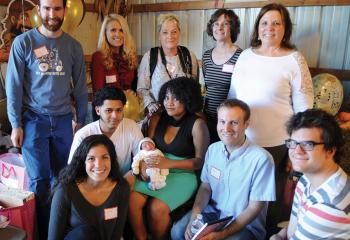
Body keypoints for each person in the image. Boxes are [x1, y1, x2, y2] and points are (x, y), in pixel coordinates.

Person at [227, 3, 314, 234]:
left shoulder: (295, 59)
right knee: (242, 198)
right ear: (257, 27)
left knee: (270, 205)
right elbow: (233, 97)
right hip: (242, 143)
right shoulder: (245, 56)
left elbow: (305, 111)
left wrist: (296, 147)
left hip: (277, 146)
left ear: (285, 28)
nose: (270, 28)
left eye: (277, 23)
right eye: (264, 22)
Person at [5, 0, 88, 238]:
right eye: (47, 8)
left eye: (57, 8)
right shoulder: (24, 43)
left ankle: (61, 228)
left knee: (64, 179)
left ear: (64, 10)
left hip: (64, 121)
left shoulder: (73, 46)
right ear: (38, 10)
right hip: (33, 121)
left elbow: (80, 88)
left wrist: (80, 121)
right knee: (39, 182)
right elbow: (14, 87)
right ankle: (43, 233)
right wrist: (16, 124)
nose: (52, 14)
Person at [171, 99, 276, 240]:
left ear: (246, 124)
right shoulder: (213, 149)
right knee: (177, 232)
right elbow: (206, 187)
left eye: (234, 123)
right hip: (213, 214)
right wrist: (194, 217)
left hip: (245, 224)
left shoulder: (262, 159)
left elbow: (254, 208)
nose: (226, 129)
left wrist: (222, 235)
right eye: (222, 122)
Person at [129, 77, 210, 239]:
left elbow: (200, 162)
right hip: (157, 167)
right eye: (166, 97)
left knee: (156, 208)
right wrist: (145, 162)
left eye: (176, 98)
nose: (169, 103)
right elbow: (149, 144)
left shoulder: (197, 124)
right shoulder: (158, 118)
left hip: (184, 173)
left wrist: (169, 162)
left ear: (188, 99)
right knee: (132, 199)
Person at [270, 109, 350, 239]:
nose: (296, 151)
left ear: (330, 150)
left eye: (307, 144)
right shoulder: (306, 178)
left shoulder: (331, 205)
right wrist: (280, 235)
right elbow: (293, 229)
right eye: (293, 143)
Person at [49, 134, 130, 240]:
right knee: (85, 233)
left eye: (105, 157)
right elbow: (53, 237)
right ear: (83, 162)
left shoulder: (121, 188)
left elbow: (117, 234)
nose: (98, 164)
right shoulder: (65, 190)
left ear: (112, 160)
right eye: (91, 158)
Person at [68, 86, 143, 175]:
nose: (115, 116)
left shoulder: (131, 126)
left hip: (123, 182)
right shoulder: (83, 135)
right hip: (92, 184)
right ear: (98, 110)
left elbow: (142, 157)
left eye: (119, 110)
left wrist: (132, 174)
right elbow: (73, 171)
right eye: (108, 110)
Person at [137, 13, 199, 115]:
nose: (170, 36)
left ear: (179, 33)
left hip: (183, 114)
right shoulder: (150, 57)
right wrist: (150, 104)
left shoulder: (188, 55)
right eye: (165, 32)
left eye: (174, 32)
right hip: (158, 113)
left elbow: (194, 86)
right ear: (159, 35)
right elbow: (141, 89)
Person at [202, 9, 242, 143]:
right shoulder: (206, 56)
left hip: (230, 122)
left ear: (232, 28)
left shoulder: (241, 56)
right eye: (215, 24)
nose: (219, 27)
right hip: (208, 117)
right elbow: (207, 86)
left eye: (225, 24)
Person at [91, 14, 138, 120]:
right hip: (107, 115)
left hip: (129, 113)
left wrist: (132, 92)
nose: (118, 34)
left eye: (121, 30)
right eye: (113, 30)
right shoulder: (99, 57)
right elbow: (98, 94)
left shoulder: (130, 56)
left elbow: (134, 86)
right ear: (105, 33)